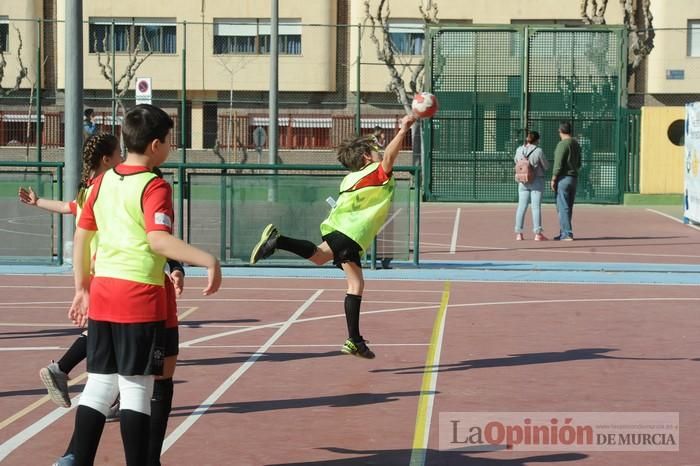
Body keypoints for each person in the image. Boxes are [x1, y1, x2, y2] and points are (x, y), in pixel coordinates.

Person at [67, 104, 221, 466]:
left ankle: (78, 459)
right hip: (138, 297)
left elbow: (82, 236)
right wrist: (208, 260)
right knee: (136, 389)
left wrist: (82, 287)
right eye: (169, 141)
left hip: (103, 293)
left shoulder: (101, 182)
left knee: (100, 385)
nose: (171, 147)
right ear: (155, 145)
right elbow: (158, 241)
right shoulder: (154, 186)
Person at [249, 114, 417, 359]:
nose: (380, 152)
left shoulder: (352, 177)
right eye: (374, 150)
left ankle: (278, 241)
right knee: (355, 283)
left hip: (338, 228)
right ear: (366, 158)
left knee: (326, 263)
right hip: (350, 232)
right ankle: (354, 340)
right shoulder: (373, 172)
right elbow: (390, 157)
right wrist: (403, 130)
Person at [514, 130, 549, 241]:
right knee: (535, 207)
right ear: (537, 140)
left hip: (522, 180)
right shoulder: (538, 151)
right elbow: (546, 166)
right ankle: (537, 234)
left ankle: (519, 233)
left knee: (521, 207)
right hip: (536, 181)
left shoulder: (519, 149)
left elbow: (516, 161)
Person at [550, 121, 582, 241]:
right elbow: (579, 163)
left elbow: (558, 163)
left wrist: (553, 178)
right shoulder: (576, 144)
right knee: (568, 206)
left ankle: (567, 233)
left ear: (560, 131)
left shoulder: (562, 144)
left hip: (563, 178)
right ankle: (564, 231)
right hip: (573, 178)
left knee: (562, 206)